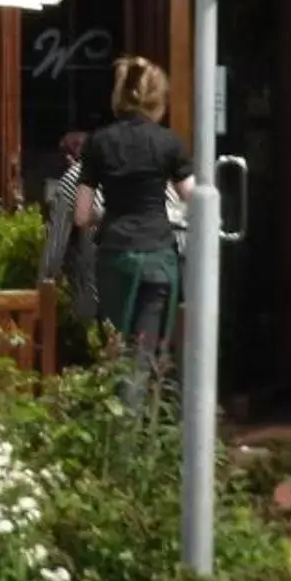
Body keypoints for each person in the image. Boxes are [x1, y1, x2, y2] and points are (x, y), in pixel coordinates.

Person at [76, 58, 193, 411]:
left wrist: (103, 216)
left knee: (116, 349)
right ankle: (139, 434)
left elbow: (81, 215)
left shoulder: (99, 142)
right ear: (158, 100)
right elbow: (195, 198)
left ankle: (117, 433)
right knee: (146, 351)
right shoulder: (169, 144)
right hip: (158, 256)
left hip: (116, 256)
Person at [38, 130, 99, 324]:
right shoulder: (122, 172)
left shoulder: (73, 178)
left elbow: (55, 250)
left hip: (95, 285)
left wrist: (42, 292)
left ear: (67, 158)